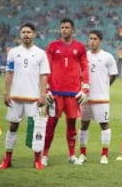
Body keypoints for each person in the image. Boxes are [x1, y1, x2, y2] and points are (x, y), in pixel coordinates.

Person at [0, 23, 50, 170]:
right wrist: (6, 93)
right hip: (15, 97)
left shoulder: (40, 53)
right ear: (20, 34)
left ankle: (37, 160)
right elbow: (9, 73)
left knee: (35, 129)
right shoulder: (13, 52)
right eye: (23, 32)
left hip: (33, 99)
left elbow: (44, 76)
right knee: (12, 127)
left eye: (29, 32)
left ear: (34, 34)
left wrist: (42, 95)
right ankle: (7, 159)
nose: (26, 34)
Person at [42, 18, 89, 166]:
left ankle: (72, 155)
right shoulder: (52, 46)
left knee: (71, 125)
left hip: (73, 94)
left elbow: (85, 67)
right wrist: (46, 89)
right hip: (55, 93)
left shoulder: (80, 48)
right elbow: (46, 68)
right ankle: (44, 155)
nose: (64, 30)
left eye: (67, 27)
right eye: (62, 27)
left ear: (73, 30)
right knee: (51, 124)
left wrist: (85, 87)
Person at [78, 30, 118, 164]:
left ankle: (104, 155)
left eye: (95, 39)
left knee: (104, 124)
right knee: (83, 125)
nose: (92, 41)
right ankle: (82, 154)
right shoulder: (83, 56)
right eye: (90, 39)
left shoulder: (107, 57)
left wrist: (104, 87)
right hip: (85, 98)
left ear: (100, 41)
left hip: (101, 98)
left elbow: (113, 75)